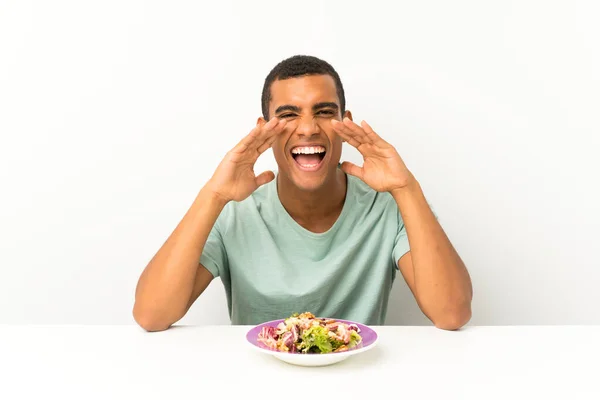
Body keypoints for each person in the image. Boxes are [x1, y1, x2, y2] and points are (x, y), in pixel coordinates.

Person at [133, 55, 473, 332]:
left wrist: (406, 188)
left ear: (347, 122)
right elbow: (151, 315)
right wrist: (212, 196)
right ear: (264, 129)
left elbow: (452, 314)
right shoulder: (234, 209)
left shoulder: (388, 205)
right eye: (288, 115)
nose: (308, 128)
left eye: (324, 112)